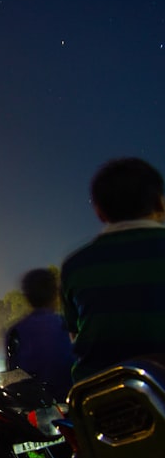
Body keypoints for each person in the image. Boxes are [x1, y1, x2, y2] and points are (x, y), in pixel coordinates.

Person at [61, 157, 165, 382]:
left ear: (99, 212)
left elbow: (75, 335)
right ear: (160, 203)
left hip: (99, 400)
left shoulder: (76, 266)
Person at [5, 268, 75, 400]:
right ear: (56, 294)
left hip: (34, 409)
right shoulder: (67, 325)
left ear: (27, 296)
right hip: (68, 404)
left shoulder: (16, 331)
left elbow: (13, 377)